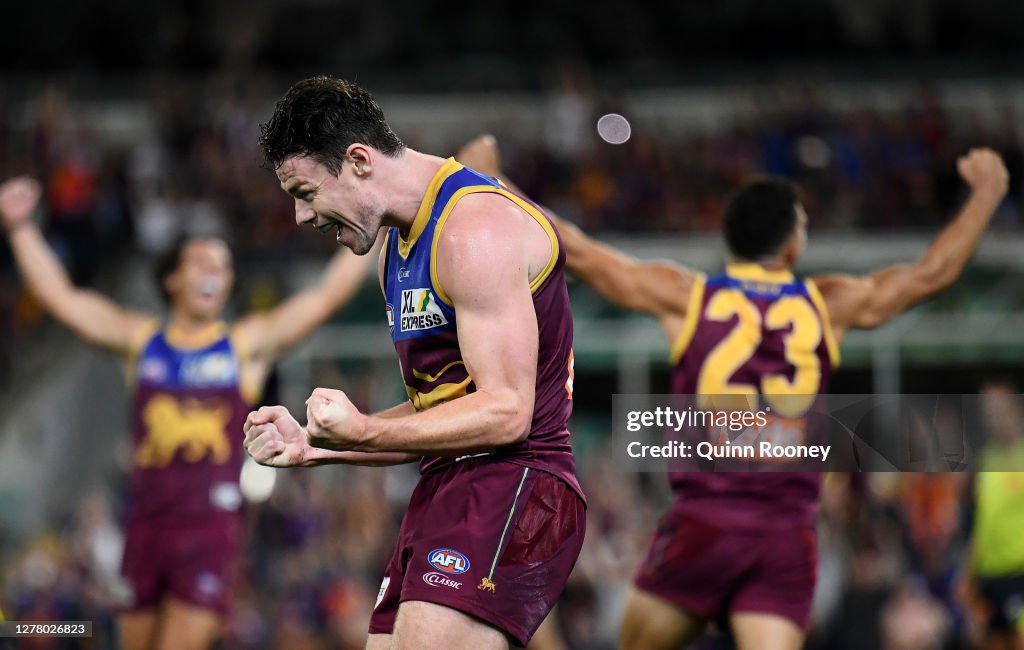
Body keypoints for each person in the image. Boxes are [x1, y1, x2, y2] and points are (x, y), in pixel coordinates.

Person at [470, 139, 1007, 649]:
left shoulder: (691, 297)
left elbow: (577, 248)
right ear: (793, 242)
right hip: (785, 533)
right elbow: (932, 274)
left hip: (704, 525)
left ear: (732, 241)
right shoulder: (827, 304)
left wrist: (495, 179)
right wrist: (986, 191)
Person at [242, 76, 586, 650]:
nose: (302, 218)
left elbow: (506, 414)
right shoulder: (395, 251)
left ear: (357, 161)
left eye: (305, 193)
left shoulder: (471, 230)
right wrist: (319, 445)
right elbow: (441, 413)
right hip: (451, 486)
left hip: (519, 483)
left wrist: (365, 430)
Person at [0, 177, 376, 650]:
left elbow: (324, 298)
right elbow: (64, 301)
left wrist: (374, 221)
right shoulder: (141, 342)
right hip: (143, 527)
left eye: (223, 267)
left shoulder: (244, 346)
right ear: (172, 278)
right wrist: (20, 229)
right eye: (202, 263)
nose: (213, 274)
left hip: (209, 531)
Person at [963, 381, 1024, 650]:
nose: (990, 417)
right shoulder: (986, 459)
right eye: (986, 411)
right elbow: (982, 521)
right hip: (989, 576)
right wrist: (968, 576)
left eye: (996, 409)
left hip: (1019, 572)